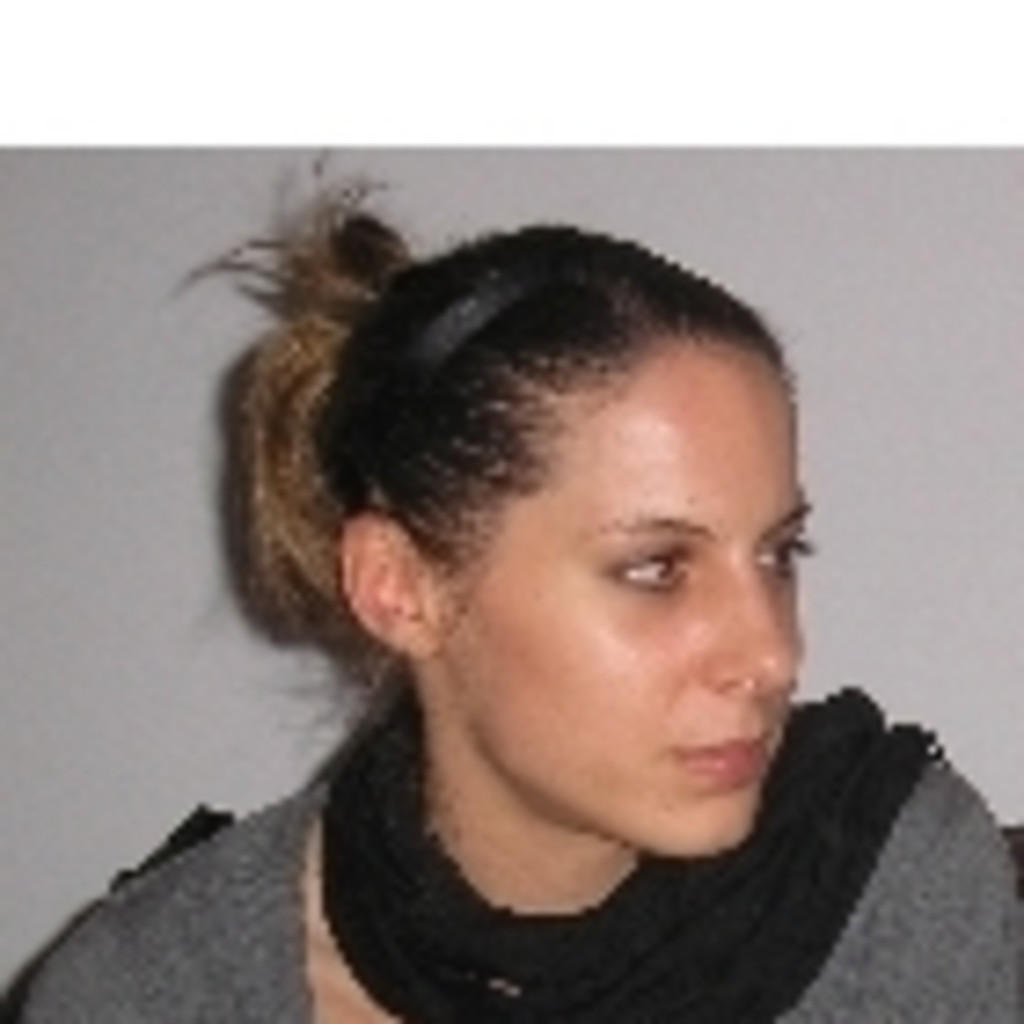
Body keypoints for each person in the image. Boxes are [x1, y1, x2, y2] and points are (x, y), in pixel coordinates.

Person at [17, 196, 1021, 1022]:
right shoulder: (152, 992)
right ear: (400, 587)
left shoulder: (889, 896)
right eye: (656, 569)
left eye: (777, 554)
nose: (771, 652)